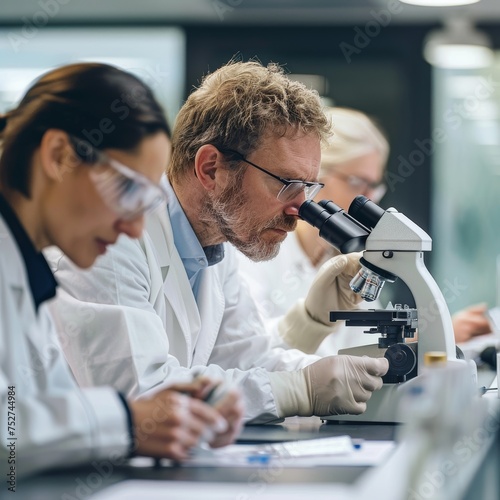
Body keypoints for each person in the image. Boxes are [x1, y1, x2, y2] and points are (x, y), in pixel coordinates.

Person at [46, 60, 389, 425]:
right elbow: (142, 391)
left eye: (309, 187)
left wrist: (362, 374)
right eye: (286, 182)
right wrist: (298, 389)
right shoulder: (113, 240)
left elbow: (249, 360)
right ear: (211, 168)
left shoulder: (214, 248)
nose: (300, 208)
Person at [0, 62, 243, 478]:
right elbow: (10, 433)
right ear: (59, 155)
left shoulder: (26, 268)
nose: (134, 227)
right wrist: (128, 421)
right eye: (127, 189)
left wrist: (177, 407)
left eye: (146, 202)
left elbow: (35, 412)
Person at [237, 107, 389, 356]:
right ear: (317, 174)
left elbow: (371, 343)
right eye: (357, 182)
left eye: (374, 187)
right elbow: (246, 352)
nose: (369, 199)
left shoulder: (347, 260)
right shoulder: (260, 247)